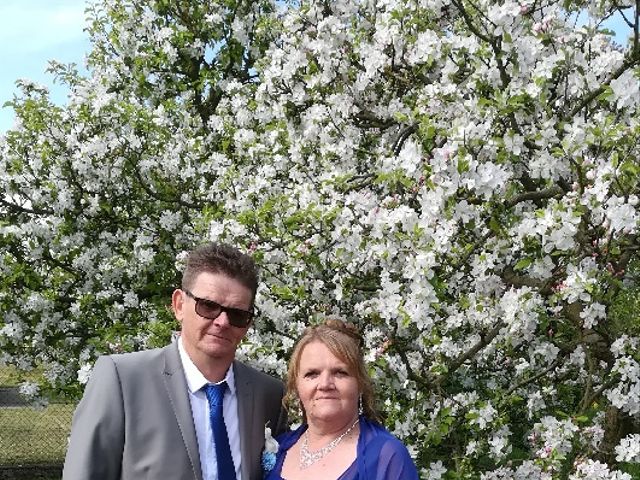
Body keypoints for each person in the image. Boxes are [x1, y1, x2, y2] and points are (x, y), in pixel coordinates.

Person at [63, 243, 288, 480]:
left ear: (248, 323)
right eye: (208, 306)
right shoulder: (123, 380)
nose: (222, 322)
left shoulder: (269, 394)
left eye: (237, 314)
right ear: (179, 305)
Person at [265, 319, 419, 480]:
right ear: (296, 385)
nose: (325, 384)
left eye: (340, 372)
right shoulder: (277, 448)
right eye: (312, 374)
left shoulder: (386, 457)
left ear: (360, 383)